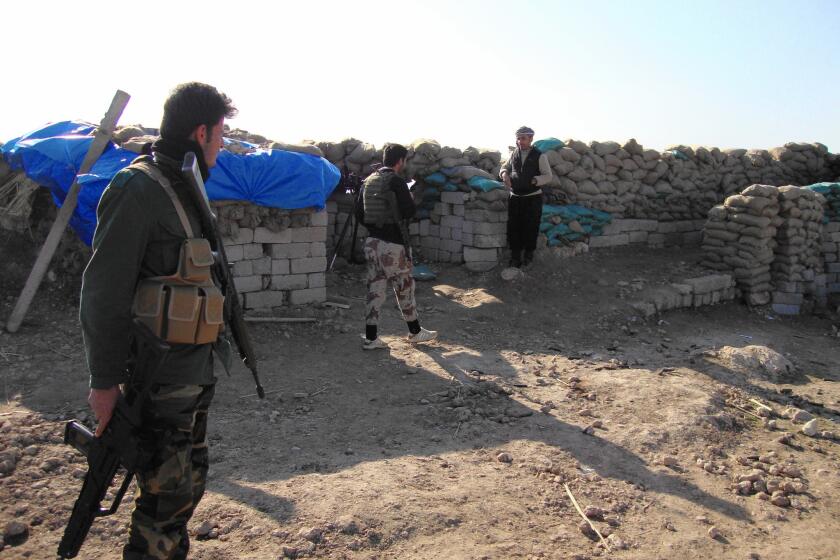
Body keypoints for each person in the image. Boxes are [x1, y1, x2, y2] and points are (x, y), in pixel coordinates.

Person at [80, 82, 237, 559]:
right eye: (220, 134)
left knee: (184, 485)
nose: (223, 144)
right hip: (159, 377)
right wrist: (104, 382)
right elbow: (103, 292)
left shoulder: (185, 185)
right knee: (164, 495)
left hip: (192, 371)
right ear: (200, 131)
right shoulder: (140, 189)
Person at [355, 143, 438, 350]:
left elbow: (359, 214)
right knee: (405, 288)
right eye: (405, 161)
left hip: (372, 243)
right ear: (400, 161)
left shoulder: (368, 181)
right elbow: (409, 212)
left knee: (375, 289)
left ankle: (371, 337)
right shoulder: (396, 181)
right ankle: (415, 332)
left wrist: (376, 228)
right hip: (393, 246)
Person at [499, 126, 553, 267]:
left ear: (530, 139)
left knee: (530, 227)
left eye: (523, 138)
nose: (519, 141)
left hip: (532, 197)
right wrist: (504, 174)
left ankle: (529, 254)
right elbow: (504, 167)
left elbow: (548, 176)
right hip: (515, 197)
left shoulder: (539, 156)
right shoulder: (514, 154)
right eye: (518, 138)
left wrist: (535, 180)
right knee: (514, 227)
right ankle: (515, 256)